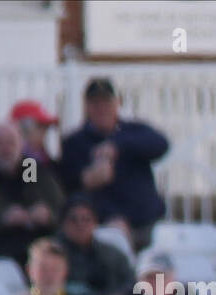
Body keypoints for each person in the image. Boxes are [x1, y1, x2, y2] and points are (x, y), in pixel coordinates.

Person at [60, 78, 168, 251]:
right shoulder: (74, 142)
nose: (102, 108)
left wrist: (118, 146)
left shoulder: (134, 131)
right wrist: (86, 180)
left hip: (148, 221)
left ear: (117, 103)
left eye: (106, 102)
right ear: (87, 107)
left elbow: (161, 144)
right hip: (106, 227)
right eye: (96, 103)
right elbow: (68, 184)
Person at [0, 121, 63, 264]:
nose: (6, 149)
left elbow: (60, 205)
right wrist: (2, 219)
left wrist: (48, 214)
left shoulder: (30, 168)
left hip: (39, 248)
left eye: (11, 142)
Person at [56, 195, 135, 295]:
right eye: (73, 220)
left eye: (86, 219)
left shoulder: (112, 254)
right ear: (63, 224)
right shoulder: (54, 254)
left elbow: (130, 282)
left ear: (95, 223)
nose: (80, 225)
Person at [10, 99, 60, 172]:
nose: (44, 133)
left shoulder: (43, 157)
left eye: (46, 127)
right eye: (40, 126)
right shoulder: (21, 162)